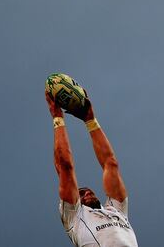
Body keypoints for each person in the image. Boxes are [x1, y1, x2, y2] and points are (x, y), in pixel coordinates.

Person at [45, 88, 139, 246]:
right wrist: (57, 117)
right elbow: (65, 166)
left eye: (89, 191)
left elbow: (110, 163)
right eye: (81, 193)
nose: (87, 192)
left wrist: (90, 120)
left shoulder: (117, 211)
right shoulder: (75, 217)